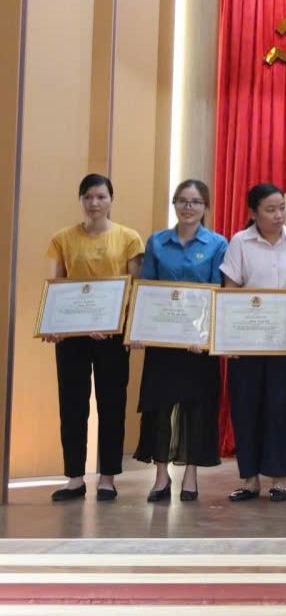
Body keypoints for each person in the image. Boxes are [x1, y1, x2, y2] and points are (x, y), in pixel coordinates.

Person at [42, 174, 145, 502]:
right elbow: (58, 285)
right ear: (81, 200)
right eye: (88, 197)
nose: (94, 203)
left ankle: (108, 477)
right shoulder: (63, 238)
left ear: (111, 199)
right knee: (71, 404)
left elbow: (134, 290)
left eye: (101, 196)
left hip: (112, 337)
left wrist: (119, 326)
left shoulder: (129, 238)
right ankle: (74, 477)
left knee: (112, 404)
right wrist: (54, 324)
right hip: (72, 337)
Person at [133, 179, 228, 503]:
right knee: (159, 410)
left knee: (196, 410)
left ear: (205, 207)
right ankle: (161, 477)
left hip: (197, 346)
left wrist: (206, 336)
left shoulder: (217, 244)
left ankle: (191, 475)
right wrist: (139, 332)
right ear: (174, 204)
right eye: (182, 201)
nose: (189, 207)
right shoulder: (157, 242)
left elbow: (218, 294)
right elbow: (145, 290)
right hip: (163, 344)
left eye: (196, 202)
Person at [221, 183, 286, 503]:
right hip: (247, 342)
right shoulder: (240, 242)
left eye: (281, 208)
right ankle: (249, 479)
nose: (278, 215)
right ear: (253, 213)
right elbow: (230, 290)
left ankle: (279, 478)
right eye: (270, 209)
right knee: (246, 407)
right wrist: (229, 336)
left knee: (282, 409)